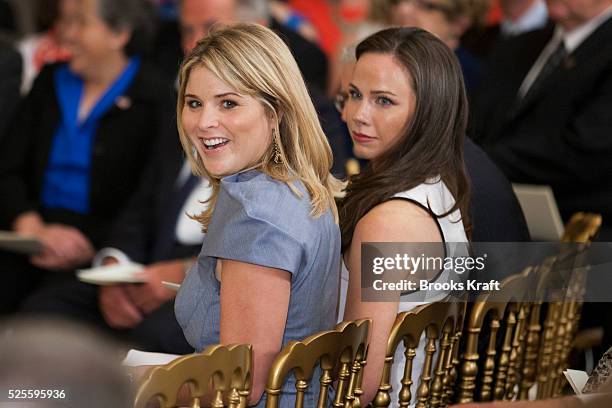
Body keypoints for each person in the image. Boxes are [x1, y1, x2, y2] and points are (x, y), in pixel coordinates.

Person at [173, 23, 342, 407]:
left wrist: (133, 382)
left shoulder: (258, 216)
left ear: (275, 112)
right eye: (194, 102)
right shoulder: (289, 187)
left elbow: (238, 386)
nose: (203, 122)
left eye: (228, 103)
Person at [0, 0, 169, 314]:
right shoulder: (50, 81)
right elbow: (8, 167)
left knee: (42, 316)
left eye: (81, 23)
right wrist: (29, 224)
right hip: (28, 234)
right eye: (67, 22)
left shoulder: (155, 98)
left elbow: (147, 201)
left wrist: (95, 245)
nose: (67, 34)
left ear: (119, 34)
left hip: (96, 252)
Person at [338, 27, 471, 405]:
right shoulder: (436, 187)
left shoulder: (390, 221)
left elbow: (358, 381)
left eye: (383, 101)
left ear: (428, 112)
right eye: (354, 95)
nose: (357, 115)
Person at [471, 0, 612, 240]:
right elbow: (475, 122)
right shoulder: (518, 46)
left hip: (583, 246)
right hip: (488, 225)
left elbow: (583, 148)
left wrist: (472, 164)